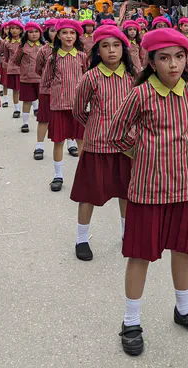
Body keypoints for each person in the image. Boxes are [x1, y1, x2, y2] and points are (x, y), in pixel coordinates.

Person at [106, 28, 188, 357]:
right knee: (140, 255)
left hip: (184, 190)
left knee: (183, 251)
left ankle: (184, 310)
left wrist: (179, 150)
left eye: (179, 57)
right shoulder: (139, 95)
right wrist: (144, 154)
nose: (173, 65)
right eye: (164, 58)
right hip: (146, 192)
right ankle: (131, 320)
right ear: (151, 62)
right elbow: (117, 133)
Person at [71, 25, 135, 261]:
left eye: (116, 45)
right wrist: (98, 125)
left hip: (127, 146)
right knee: (88, 195)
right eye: (105, 46)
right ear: (97, 50)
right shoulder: (90, 77)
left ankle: (127, 235)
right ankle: (81, 239)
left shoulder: (132, 76)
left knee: (127, 194)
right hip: (97, 146)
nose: (111, 51)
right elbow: (79, 110)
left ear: (124, 49)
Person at [42, 19, 87, 192]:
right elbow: (45, 82)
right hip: (59, 107)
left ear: (77, 36)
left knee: (82, 142)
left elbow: (90, 81)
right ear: (58, 36)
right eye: (65, 33)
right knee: (59, 141)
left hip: (79, 107)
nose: (69, 36)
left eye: (72, 33)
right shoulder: (52, 58)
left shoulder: (83, 57)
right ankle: (58, 175)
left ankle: (84, 176)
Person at [13, 22, 44, 133]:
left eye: (36, 32)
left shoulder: (44, 47)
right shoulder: (22, 47)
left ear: (40, 33)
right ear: (26, 34)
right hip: (26, 79)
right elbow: (16, 60)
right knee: (27, 101)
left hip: (42, 80)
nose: (34, 34)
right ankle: (25, 123)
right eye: (30, 32)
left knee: (44, 102)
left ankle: (45, 122)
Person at [33, 19, 56, 160]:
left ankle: (71, 143)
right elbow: (38, 69)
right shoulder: (43, 50)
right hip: (47, 90)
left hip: (67, 92)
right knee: (44, 119)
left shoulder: (76, 51)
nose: (57, 34)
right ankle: (39, 146)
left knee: (69, 119)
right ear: (47, 32)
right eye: (52, 30)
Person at [2, 21, 25, 118]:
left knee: (26, 90)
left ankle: (34, 108)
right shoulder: (7, 43)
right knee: (16, 90)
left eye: (17, 28)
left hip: (25, 70)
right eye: (12, 28)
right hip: (13, 69)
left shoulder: (24, 42)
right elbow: (6, 57)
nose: (14, 30)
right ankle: (17, 109)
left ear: (21, 30)